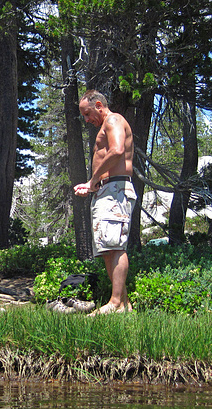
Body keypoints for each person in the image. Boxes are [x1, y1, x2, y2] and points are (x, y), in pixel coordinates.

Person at [73, 89, 137, 315]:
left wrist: (92, 180)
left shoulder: (113, 119)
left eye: (88, 113)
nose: (87, 119)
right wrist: (94, 184)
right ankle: (124, 305)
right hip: (107, 190)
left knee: (115, 246)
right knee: (108, 247)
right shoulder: (104, 125)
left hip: (116, 189)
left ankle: (115, 302)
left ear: (99, 105)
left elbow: (117, 150)